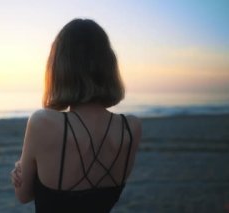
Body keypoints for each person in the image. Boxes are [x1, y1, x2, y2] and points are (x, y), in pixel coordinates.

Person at [10, 18, 142, 212]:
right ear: (108, 64)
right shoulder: (131, 128)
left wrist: (20, 170)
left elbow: (23, 195)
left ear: (59, 67)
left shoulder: (43, 123)